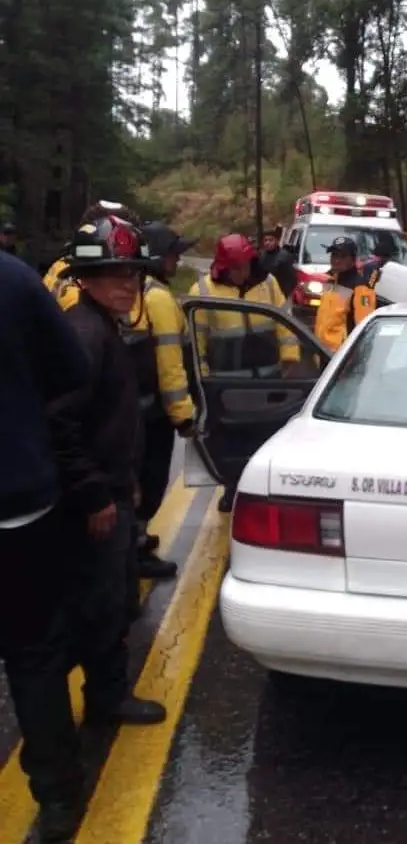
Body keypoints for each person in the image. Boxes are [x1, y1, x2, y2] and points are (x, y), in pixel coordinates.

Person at [49, 214, 167, 732]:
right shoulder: (84, 335)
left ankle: (105, 694)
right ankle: (98, 701)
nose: (127, 284)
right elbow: (60, 425)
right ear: (85, 278)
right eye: (115, 273)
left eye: (134, 273)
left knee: (116, 599)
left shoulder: (102, 328)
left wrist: (126, 482)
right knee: (99, 606)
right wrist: (96, 494)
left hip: (113, 490)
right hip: (94, 504)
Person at [0, 250, 91, 844]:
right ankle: (57, 793)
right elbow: (72, 369)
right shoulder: (13, 279)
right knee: (33, 654)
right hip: (19, 501)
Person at [189, 232, 302, 512]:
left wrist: (290, 356)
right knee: (230, 442)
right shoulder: (202, 291)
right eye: (236, 267)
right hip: (226, 383)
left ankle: (264, 491)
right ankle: (231, 489)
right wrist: (203, 377)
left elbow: (284, 320)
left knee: (267, 437)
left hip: (267, 378)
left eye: (246, 265)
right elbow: (196, 340)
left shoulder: (267, 283)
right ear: (223, 266)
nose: (242, 272)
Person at [125, 222, 199, 582]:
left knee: (133, 480)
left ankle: (134, 540)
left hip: (131, 410)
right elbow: (171, 365)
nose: (178, 257)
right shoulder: (158, 298)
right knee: (150, 480)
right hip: (152, 414)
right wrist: (183, 415)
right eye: (173, 251)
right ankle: (134, 552)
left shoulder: (137, 292)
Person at [315, 235, 378, 353]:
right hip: (323, 352)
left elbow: (363, 328)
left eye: (342, 256)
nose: (336, 260)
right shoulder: (331, 281)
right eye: (334, 255)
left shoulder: (361, 288)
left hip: (342, 356)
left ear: (353, 259)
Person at [259, 225, 297, 297]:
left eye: (271, 240)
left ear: (277, 240)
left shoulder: (285, 257)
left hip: (280, 295)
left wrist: (283, 294)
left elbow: (291, 280)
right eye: (265, 240)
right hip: (264, 294)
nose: (267, 243)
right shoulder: (261, 255)